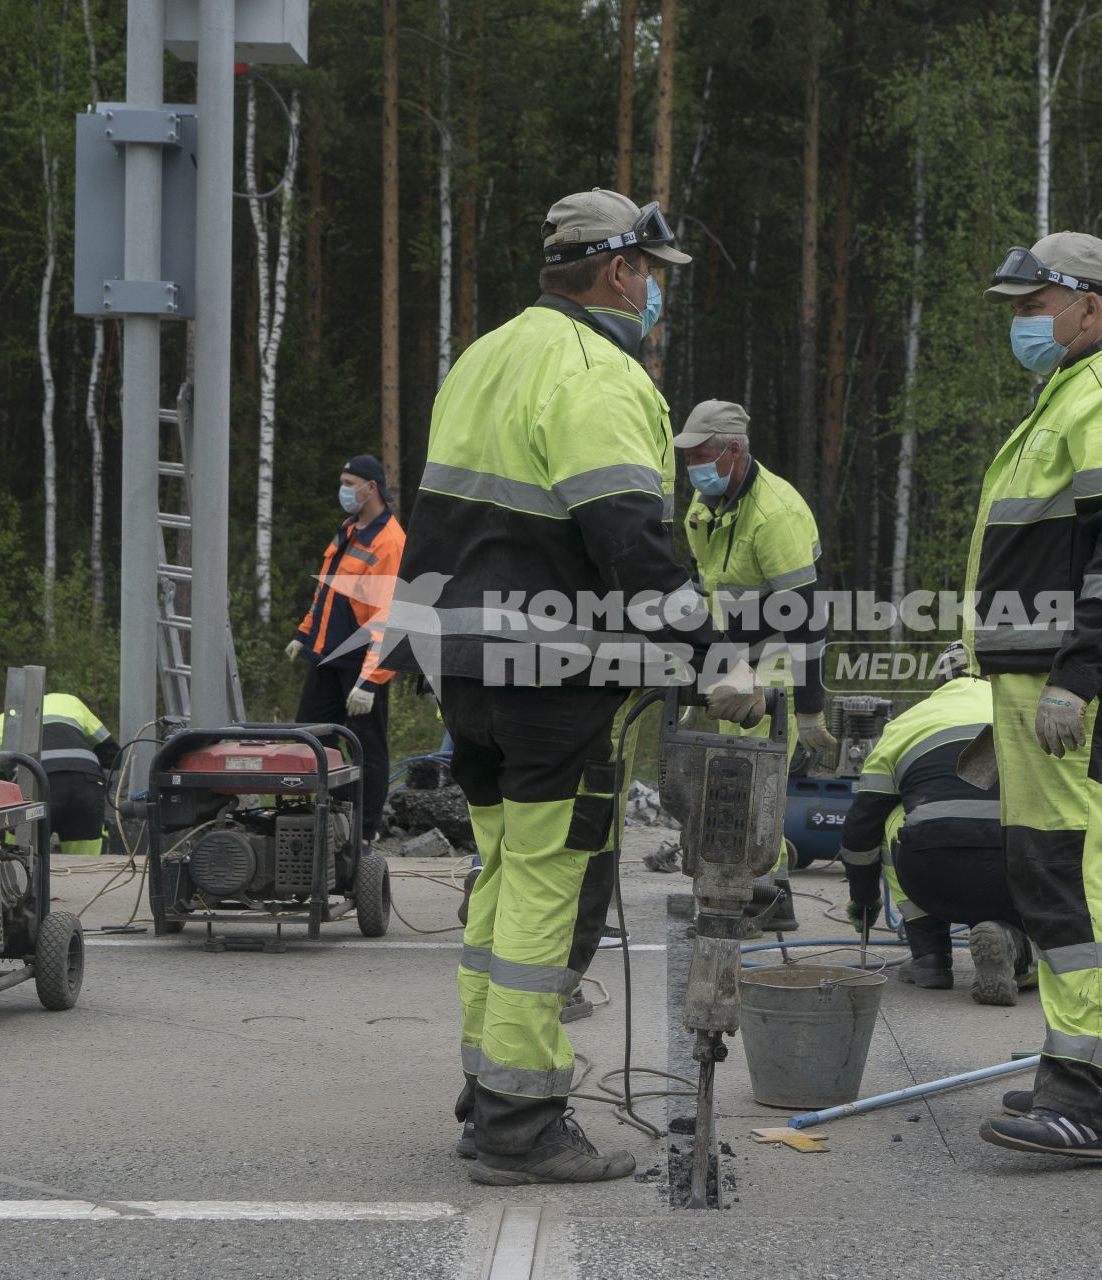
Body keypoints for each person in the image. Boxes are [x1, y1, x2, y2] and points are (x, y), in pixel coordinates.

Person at [387, 187, 761, 1185]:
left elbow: (452, 526)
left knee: (505, 875)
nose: (653, 298)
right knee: (554, 883)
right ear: (619, 271)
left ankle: (488, 1089)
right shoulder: (597, 370)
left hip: (465, 664)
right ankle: (519, 1121)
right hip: (551, 675)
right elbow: (632, 536)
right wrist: (715, 659)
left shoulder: (483, 356)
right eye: (650, 278)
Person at [964, 231, 1102, 1160]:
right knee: (1058, 869)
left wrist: (1074, 674)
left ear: (1087, 305)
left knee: (1069, 873)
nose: (1020, 323)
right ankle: (1095, 1070)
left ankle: (1086, 1095)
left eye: (1032, 306)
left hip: (1087, 680)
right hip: (1056, 672)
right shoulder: (1074, 392)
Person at [676, 399, 835, 932]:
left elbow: (808, 618)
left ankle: (770, 893)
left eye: (701, 455)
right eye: (688, 456)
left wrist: (809, 708)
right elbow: (707, 590)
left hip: (777, 661)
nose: (692, 467)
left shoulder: (776, 515)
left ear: (734, 450)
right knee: (726, 780)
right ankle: (734, 887)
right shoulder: (703, 507)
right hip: (732, 659)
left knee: (756, 783)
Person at [839, 642, 1035, 1005]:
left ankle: (930, 956)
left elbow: (860, 829)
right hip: (1016, 877)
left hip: (932, 877)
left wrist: (863, 900)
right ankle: (1017, 947)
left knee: (893, 816)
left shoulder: (906, 723)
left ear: (940, 681)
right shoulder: (1024, 712)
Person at [286, 454, 404, 845]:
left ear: (371, 488)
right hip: (327, 654)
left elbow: (389, 616)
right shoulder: (349, 528)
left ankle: (364, 834)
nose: (344, 490)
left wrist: (371, 682)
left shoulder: (390, 542)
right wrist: (304, 633)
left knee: (367, 748)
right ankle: (327, 822)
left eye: (350, 482)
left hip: (360, 662)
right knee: (311, 738)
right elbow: (328, 590)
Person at [0, 692, 120, 856]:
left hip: (35, 788)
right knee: (86, 864)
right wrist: (104, 790)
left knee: (23, 862)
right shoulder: (68, 702)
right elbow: (112, 753)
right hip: (86, 786)